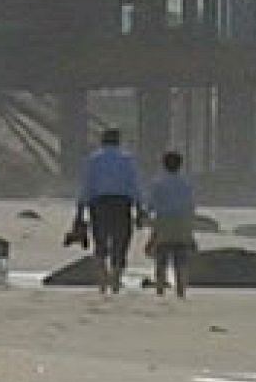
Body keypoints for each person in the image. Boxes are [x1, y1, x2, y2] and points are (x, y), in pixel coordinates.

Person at [75, 127, 141, 294]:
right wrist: (140, 208)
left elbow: (87, 186)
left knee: (100, 242)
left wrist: (79, 211)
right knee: (121, 242)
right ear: (118, 141)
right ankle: (116, 280)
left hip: (99, 203)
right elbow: (134, 185)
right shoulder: (127, 159)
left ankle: (103, 282)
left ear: (102, 140)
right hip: (122, 203)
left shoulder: (93, 159)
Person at [145, 150, 197, 298]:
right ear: (180, 165)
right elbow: (190, 206)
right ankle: (181, 291)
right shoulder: (186, 184)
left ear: (164, 165)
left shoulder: (158, 183)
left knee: (161, 258)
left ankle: (160, 290)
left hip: (164, 220)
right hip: (181, 221)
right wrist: (190, 230)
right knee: (180, 259)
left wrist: (145, 219)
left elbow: (151, 205)